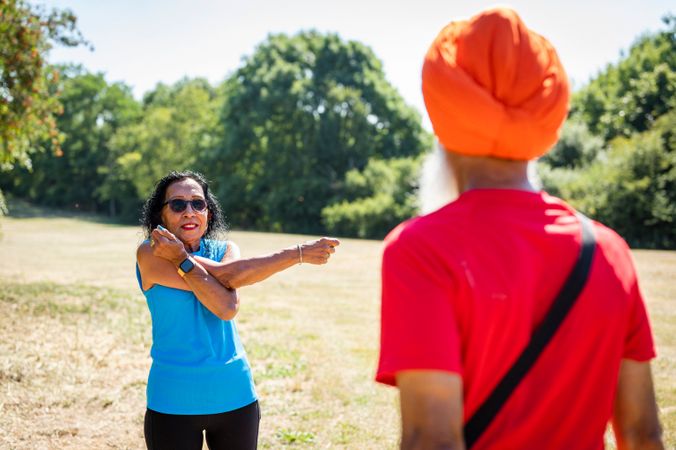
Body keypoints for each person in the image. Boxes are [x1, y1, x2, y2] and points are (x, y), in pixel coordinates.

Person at [376, 7, 664, 450]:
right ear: (547, 115)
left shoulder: (420, 250)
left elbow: (431, 439)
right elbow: (643, 433)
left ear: (442, 117)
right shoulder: (610, 250)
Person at [136, 170, 339, 450]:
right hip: (172, 398)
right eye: (178, 204)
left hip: (235, 395)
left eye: (198, 203)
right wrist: (296, 254)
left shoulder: (225, 250)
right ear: (161, 215)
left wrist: (181, 260)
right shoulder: (149, 253)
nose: (189, 212)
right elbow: (226, 294)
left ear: (209, 212)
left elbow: (226, 303)